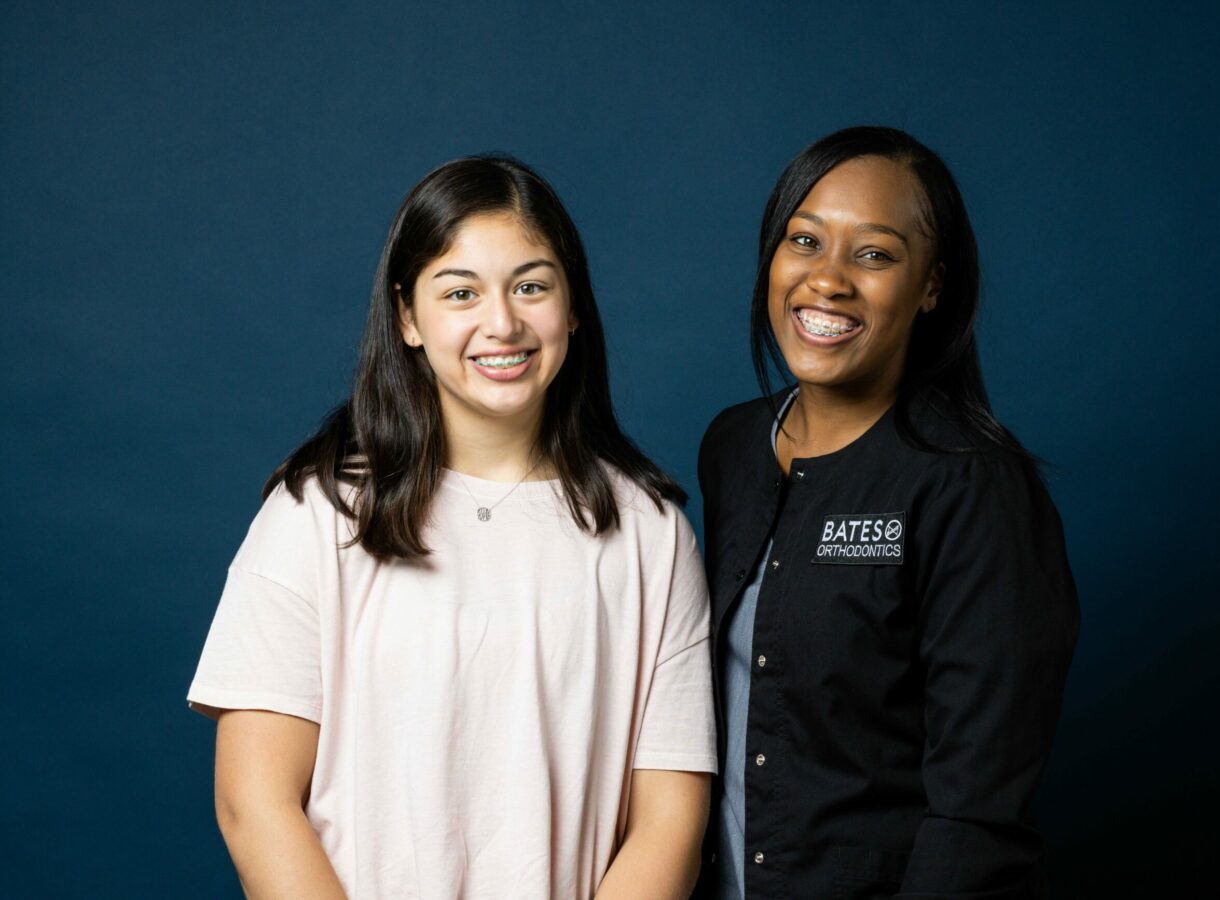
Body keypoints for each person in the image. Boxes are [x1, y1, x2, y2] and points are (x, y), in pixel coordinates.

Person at [187, 156, 716, 899]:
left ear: (571, 308)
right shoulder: (315, 514)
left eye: (531, 286)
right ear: (407, 316)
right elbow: (254, 805)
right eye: (460, 292)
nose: (501, 323)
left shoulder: (650, 535)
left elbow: (670, 825)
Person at [696, 126, 1080, 899]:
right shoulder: (733, 446)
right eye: (803, 241)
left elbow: (977, 815)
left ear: (930, 286)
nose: (827, 279)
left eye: (872, 254)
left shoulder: (973, 488)